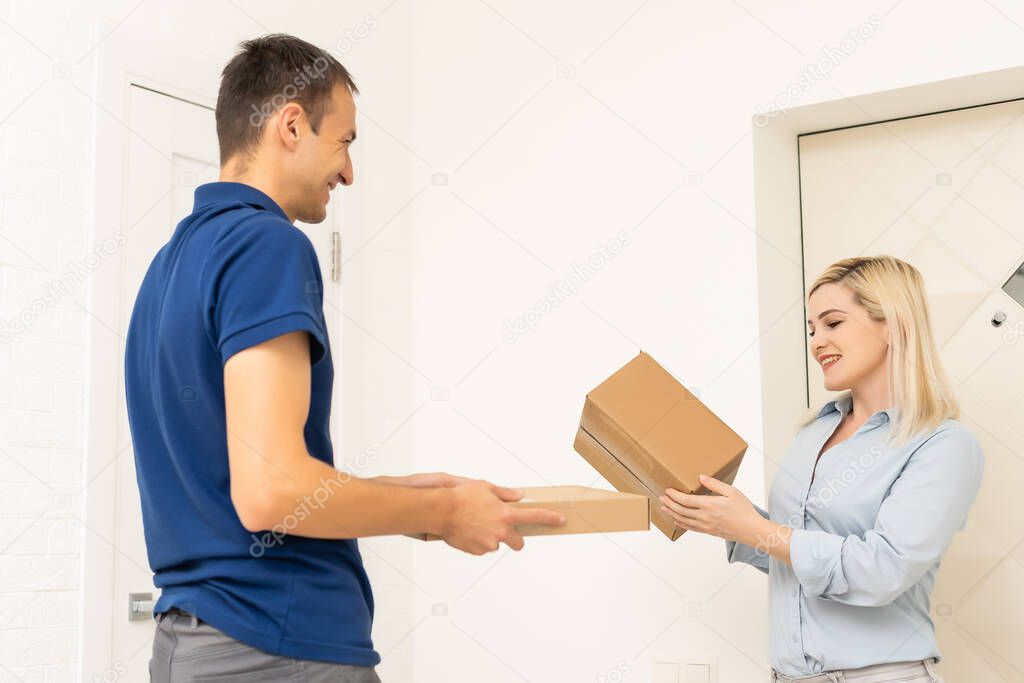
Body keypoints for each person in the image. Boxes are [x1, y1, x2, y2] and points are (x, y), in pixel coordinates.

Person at [125, 34, 565, 683]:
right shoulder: (265, 245)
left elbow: (240, 483)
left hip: (191, 645)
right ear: (292, 125)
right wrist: (444, 513)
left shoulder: (168, 268)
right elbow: (273, 491)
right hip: (276, 644)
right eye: (346, 141)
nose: (350, 172)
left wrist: (429, 494)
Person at [658, 255, 984, 682]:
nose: (816, 342)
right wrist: (726, 520)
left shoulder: (942, 444)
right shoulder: (814, 432)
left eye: (833, 323)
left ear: (892, 323)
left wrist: (756, 530)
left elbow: (882, 570)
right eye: (812, 329)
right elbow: (795, 555)